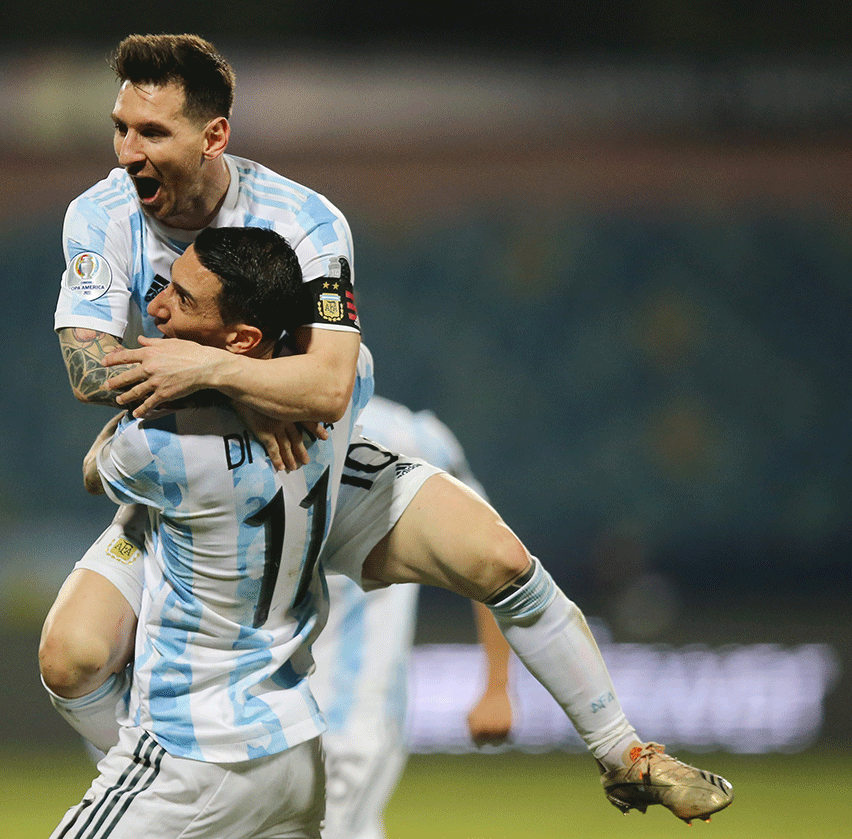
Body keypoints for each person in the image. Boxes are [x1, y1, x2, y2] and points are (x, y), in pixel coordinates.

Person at [42, 33, 733, 825]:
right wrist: (258, 394)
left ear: (213, 135)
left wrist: (207, 374)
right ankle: (158, 777)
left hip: (315, 461)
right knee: (72, 656)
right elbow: (90, 371)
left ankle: (626, 752)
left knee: (498, 556)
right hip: (204, 472)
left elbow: (331, 384)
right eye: (121, 127)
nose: (129, 151)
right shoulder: (98, 218)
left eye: (152, 133)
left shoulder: (304, 220)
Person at [51, 226, 372, 838]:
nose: (156, 305)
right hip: (294, 746)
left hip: (193, 749)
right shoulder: (345, 404)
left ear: (240, 338)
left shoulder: (159, 446)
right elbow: (331, 369)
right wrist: (243, 379)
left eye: (184, 300)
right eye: (168, 281)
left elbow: (97, 469)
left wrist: (200, 382)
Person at [310, 394, 513, 839]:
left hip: (350, 715)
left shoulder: (409, 436)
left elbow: (490, 557)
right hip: (264, 709)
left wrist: (497, 685)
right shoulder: (241, 415)